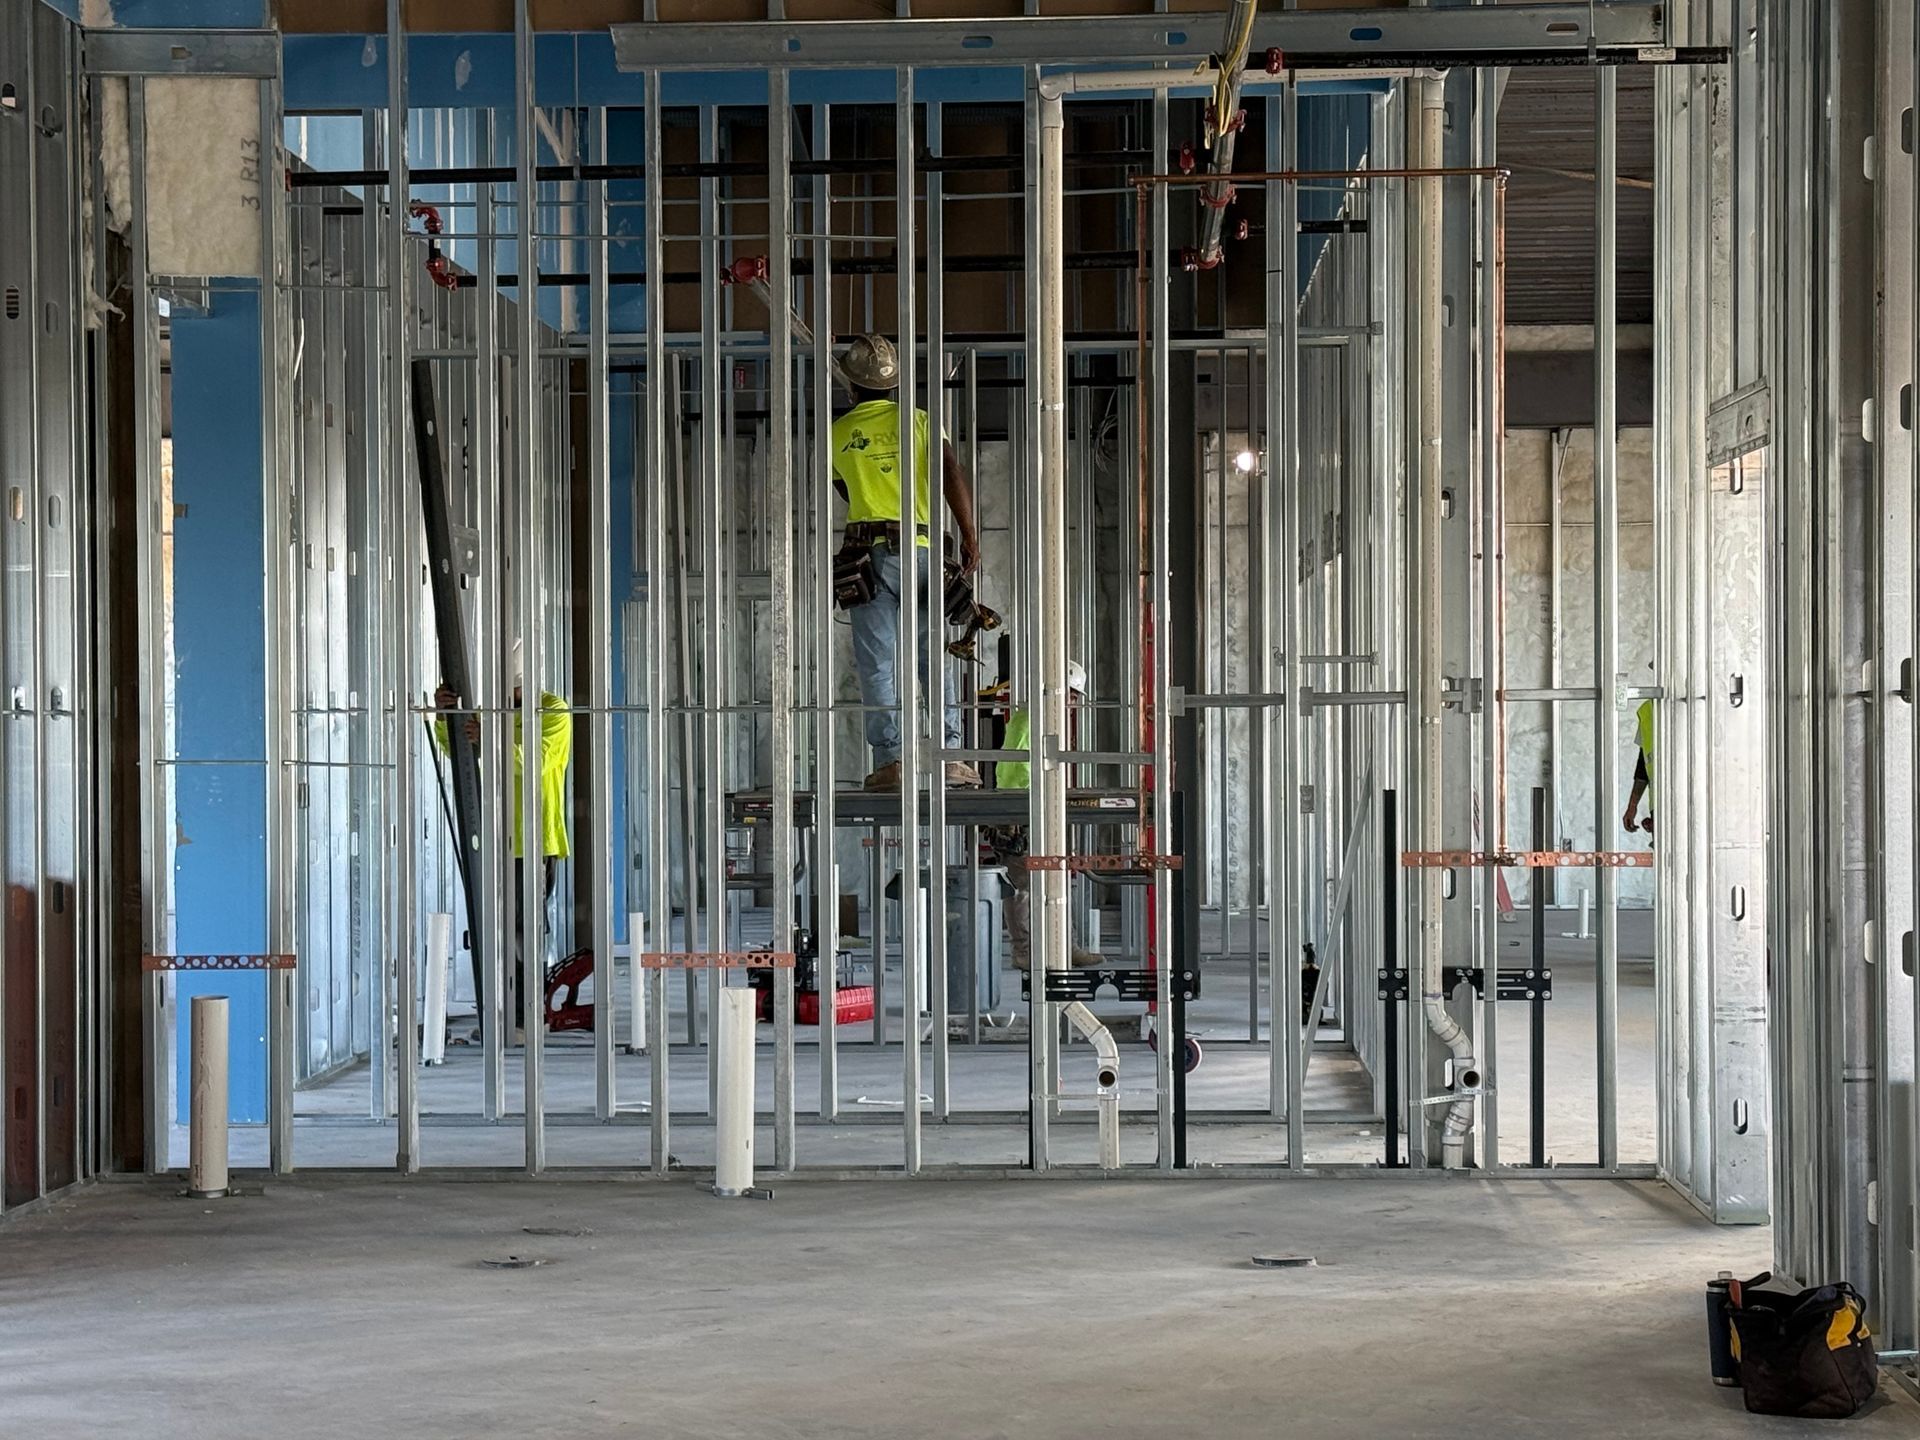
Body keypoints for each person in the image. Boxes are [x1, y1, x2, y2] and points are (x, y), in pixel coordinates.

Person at [831, 333, 984, 792]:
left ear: (852, 387)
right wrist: (969, 534)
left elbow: (844, 488)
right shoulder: (918, 422)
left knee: (877, 663)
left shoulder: (839, 433)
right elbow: (949, 471)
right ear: (894, 384)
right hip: (921, 553)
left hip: (864, 557)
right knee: (928, 656)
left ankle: (894, 761)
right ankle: (950, 756)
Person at [435, 638, 573, 1040]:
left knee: (522, 928)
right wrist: (448, 718)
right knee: (493, 928)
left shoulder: (553, 710)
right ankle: (499, 1012)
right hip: (491, 838)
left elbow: (537, 760)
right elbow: (456, 751)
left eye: (510, 690)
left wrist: (488, 738)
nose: (505, 698)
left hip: (531, 842)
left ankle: (524, 1015)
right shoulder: (488, 712)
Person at [986, 661, 1101, 972]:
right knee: (1022, 884)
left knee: (1057, 877)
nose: (1074, 703)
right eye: (1072, 695)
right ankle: (1023, 951)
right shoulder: (1029, 719)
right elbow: (1011, 770)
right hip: (1021, 807)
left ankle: (1065, 946)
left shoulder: (1049, 721)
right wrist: (1013, 813)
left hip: (1041, 805)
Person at [1622, 696, 1655, 836]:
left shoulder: (1694, 706)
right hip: (1659, 805)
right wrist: (1632, 806)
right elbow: (1643, 766)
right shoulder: (1647, 711)